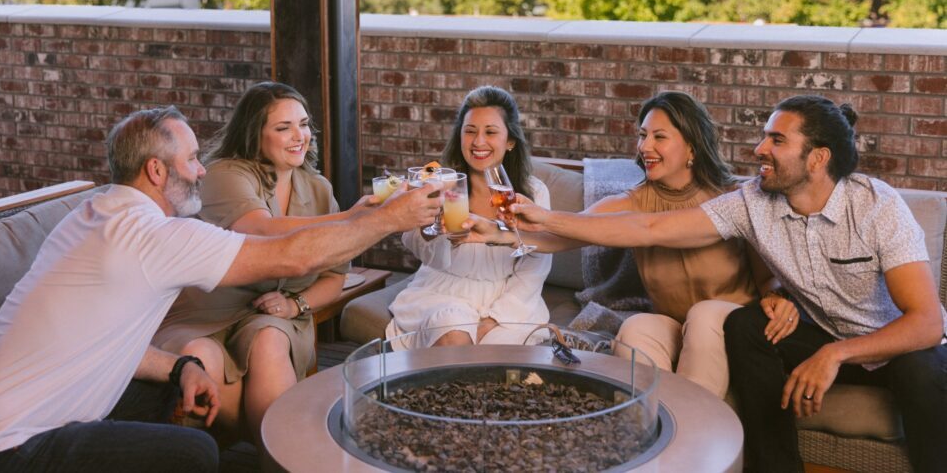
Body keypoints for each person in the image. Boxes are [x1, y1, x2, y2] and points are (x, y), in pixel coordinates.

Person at [0, 106, 440, 472]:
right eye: (190, 160)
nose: (201, 170)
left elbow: (98, 341)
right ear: (156, 171)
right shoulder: (151, 236)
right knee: (194, 453)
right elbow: (292, 255)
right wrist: (391, 218)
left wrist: (180, 365)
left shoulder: (93, 215)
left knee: (175, 392)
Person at [495, 95, 947, 473]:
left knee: (918, 367)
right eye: (764, 136)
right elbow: (650, 230)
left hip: (892, 346)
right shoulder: (752, 202)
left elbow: (925, 323)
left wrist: (835, 352)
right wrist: (533, 219)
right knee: (747, 329)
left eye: (776, 139)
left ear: (818, 157)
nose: (758, 149)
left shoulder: (878, 206)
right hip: (823, 336)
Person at [152, 83, 364, 442]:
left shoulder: (318, 189)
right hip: (206, 315)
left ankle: (278, 448)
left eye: (303, 124)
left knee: (268, 337)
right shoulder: (224, 174)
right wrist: (355, 221)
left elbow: (334, 276)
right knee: (198, 354)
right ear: (255, 134)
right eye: (283, 128)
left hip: (276, 318)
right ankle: (286, 445)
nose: (299, 136)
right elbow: (263, 230)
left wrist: (296, 304)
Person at [590, 91, 772, 398]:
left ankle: (696, 430)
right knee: (636, 328)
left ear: (691, 145)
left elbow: (767, 276)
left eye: (659, 137)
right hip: (675, 324)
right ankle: (658, 430)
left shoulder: (734, 198)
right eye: (643, 135)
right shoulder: (635, 202)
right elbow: (571, 226)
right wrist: (515, 225)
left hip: (734, 325)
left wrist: (776, 298)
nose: (645, 147)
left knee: (704, 315)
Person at [386, 86, 552, 349]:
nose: (478, 142)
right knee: (454, 331)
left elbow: (536, 265)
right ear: (459, 136)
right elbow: (415, 244)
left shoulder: (533, 192)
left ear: (510, 141)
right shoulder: (439, 184)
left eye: (491, 132)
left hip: (509, 298)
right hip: (442, 293)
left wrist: (496, 318)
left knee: (494, 353)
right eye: (470, 131)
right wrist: (436, 234)